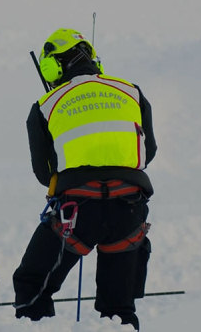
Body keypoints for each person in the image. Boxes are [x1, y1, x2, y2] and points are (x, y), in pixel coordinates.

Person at [12, 28, 157, 331]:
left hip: (77, 212)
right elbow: (149, 151)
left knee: (32, 284)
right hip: (130, 209)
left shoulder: (45, 105)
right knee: (118, 308)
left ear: (52, 66)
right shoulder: (132, 92)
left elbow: (44, 173)